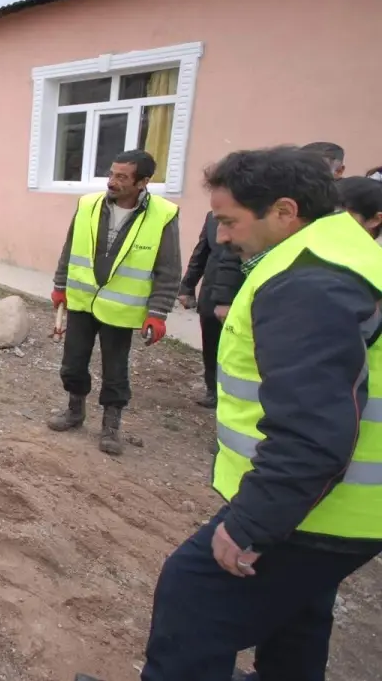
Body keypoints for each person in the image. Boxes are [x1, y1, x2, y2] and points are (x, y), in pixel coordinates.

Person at [135, 146, 382, 681]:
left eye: (229, 221)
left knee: (193, 594)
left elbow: (314, 431)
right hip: (344, 506)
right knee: (297, 613)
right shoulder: (340, 252)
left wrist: (252, 524)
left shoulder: (310, 282)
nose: (221, 237)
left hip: (319, 511)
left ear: (285, 211)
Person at [47, 149, 182, 455]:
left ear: (143, 182)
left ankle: (111, 426)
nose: (113, 181)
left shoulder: (163, 215)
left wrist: (158, 312)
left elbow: (169, 268)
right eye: (111, 174)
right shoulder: (88, 204)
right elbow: (69, 249)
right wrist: (59, 286)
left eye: (122, 176)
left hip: (121, 309)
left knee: (115, 369)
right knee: (72, 363)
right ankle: (74, 411)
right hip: (82, 301)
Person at [178, 211, 244, 409]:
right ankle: (212, 391)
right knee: (211, 344)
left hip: (240, 294)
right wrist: (187, 287)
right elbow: (201, 252)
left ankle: (235, 394)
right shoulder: (211, 217)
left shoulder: (257, 215)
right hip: (211, 293)